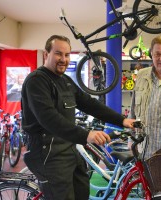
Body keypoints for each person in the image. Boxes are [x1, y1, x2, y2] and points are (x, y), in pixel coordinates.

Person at [21, 35, 135, 200]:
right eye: (58, 54)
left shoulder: (65, 80)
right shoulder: (37, 81)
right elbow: (48, 118)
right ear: (46, 54)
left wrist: (122, 120)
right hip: (46, 152)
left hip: (68, 147)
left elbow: (89, 103)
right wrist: (87, 135)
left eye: (67, 55)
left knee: (82, 191)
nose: (64, 59)